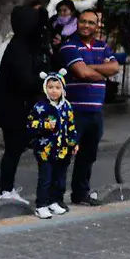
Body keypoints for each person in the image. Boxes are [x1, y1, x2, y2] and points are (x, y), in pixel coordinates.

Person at [59, 9, 120, 206]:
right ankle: (55, 197)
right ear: (77, 24)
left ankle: (80, 194)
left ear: (96, 26)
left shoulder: (102, 47)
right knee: (65, 155)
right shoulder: (69, 46)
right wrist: (102, 72)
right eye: (83, 22)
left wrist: (89, 67)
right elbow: (81, 73)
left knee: (88, 156)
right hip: (74, 111)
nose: (86, 26)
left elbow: (115, 68)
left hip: (95, 112)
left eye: (91, 23)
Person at [0, 5, 47, 203]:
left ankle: (8, 189)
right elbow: (26, 80)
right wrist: (45, 81)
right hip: (13, 110)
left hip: (14, 108)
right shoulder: (19, 48)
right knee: (13, 151)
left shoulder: (22, 44)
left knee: (14, 150)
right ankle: (6, 191)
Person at [27, 71, 79, 219]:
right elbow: (30, 124)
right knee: (46, 178)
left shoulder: (66, 106)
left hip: (63, 150)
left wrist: (74, 143)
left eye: (57, 87)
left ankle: (54, 201)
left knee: (59, 178)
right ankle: (41, 204)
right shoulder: (40, 107)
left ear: (63, 89)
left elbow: (71, 126)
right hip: (45, 150)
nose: (54, 90)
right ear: (45, 88)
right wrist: (44, 125)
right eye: (50, 87)